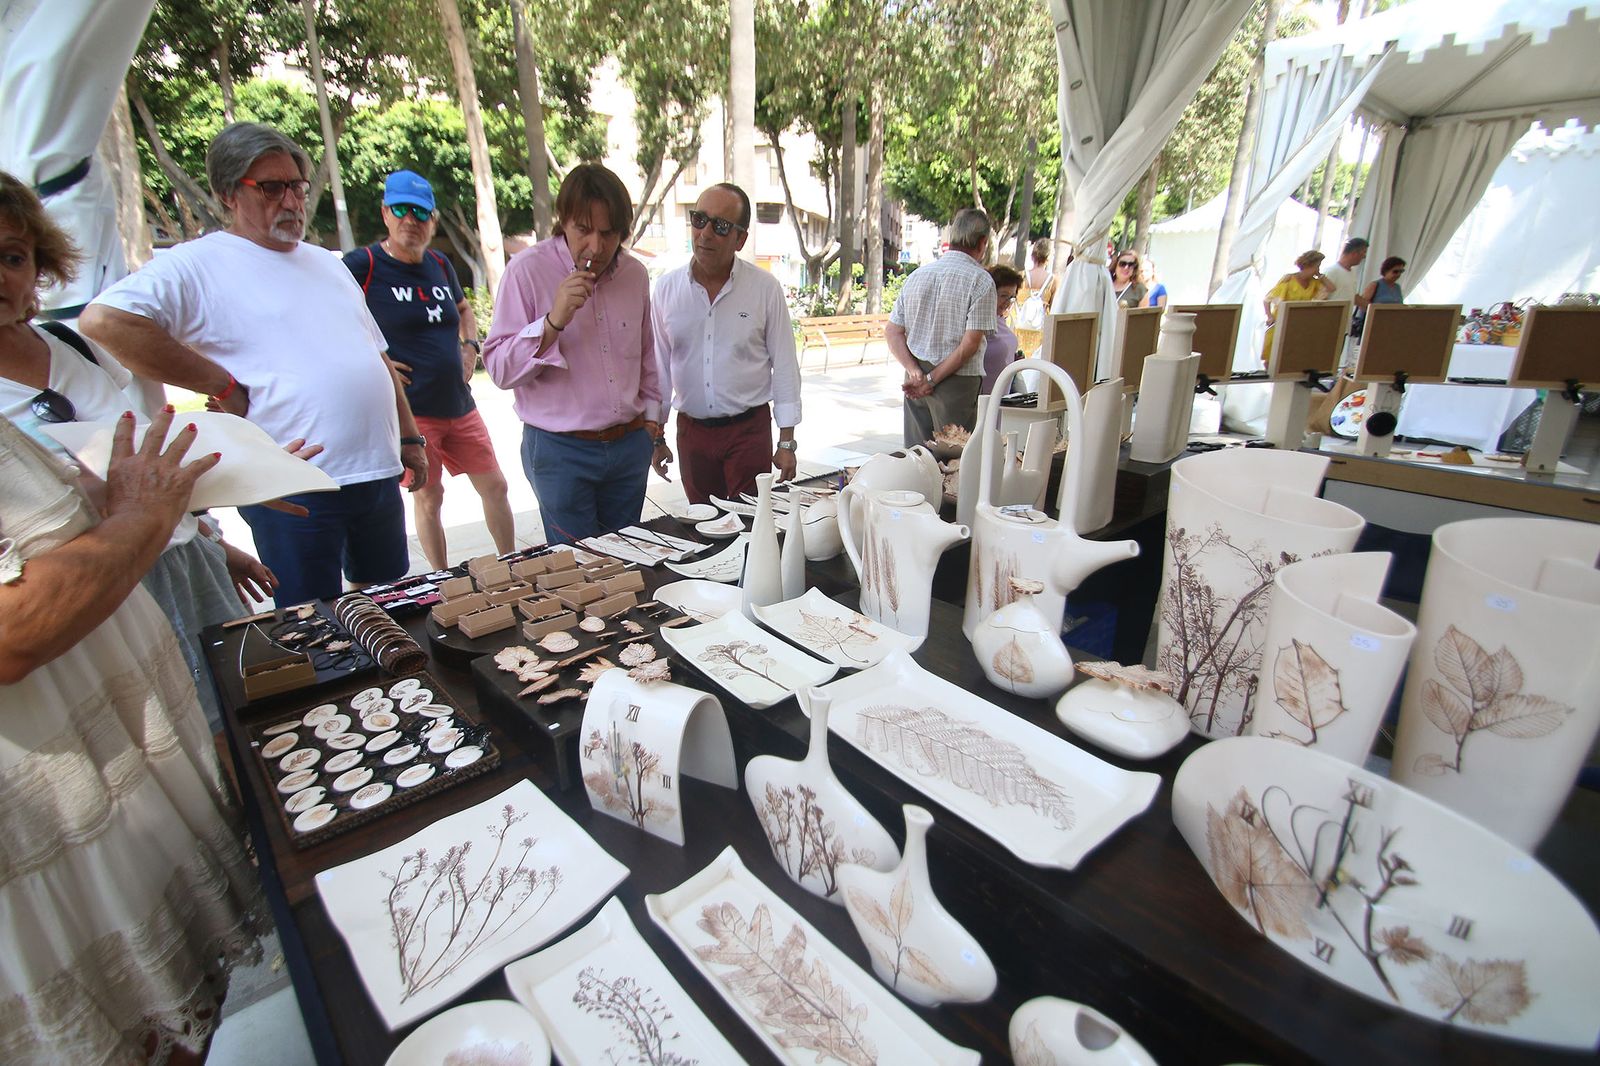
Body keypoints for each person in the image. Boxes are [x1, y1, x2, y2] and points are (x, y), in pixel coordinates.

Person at [0, 401, 267, 1064]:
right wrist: (142, 516)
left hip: (106, 781)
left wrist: (205, 485)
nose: (27, 292)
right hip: (47, 810)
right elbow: (13, 632)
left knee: (167, 1025)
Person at [80, 122, 428, 606]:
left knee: (390, 602)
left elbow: (377, 357)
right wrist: (218, 383)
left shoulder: (327, 263)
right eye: (271, 188)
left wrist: (409, 438)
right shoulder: (197, 264)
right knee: (314, 620)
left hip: (374, 470)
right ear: (228, 194)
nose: (291, 201)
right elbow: (105, 321)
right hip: (291, 480)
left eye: (297, 186)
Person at [0, 171, 298, 731]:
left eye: (12, 257)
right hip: (95, 596)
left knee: (250, 715)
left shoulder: (68, 345)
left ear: (38, 266)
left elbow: (139, 458)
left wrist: (216, 515)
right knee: (173, 727)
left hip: (176, 556)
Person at [343, 169, 514, 571]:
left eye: (420, 213)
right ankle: (440, 579)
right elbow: (326, 320)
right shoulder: (363, 265)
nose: (410, 221)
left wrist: (469, 347)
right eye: (401, 210)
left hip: (459, 404)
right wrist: (374, 364)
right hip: (412, 412)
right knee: (429, 497)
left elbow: (463, 309)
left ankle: (512, 564)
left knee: (496, 486)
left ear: (432, 220)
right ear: (385, 213)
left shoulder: (439, 263)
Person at [483, 163, 662, 544]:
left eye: (608, 233)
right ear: (564, 221)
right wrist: (552, 323)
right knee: (579, 572)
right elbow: (498, 369)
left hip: (629, 444)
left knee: (628, 562)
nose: (595, 247)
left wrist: (651, 424)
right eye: (583, 230)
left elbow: (648, 356)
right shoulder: (526, 271)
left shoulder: (634, 275)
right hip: (560, 451)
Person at [650, 182, 801, 503]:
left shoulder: (764, 289)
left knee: (749, 529)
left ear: (740, 239)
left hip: (748, 433)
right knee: (703, 526)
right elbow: (659, 369)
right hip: (692, 435)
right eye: (699, 220)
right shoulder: (666, 290)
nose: (705, 234)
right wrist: (656, 436)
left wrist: (786, 441)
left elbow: (785, 364)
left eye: (720, 226)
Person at [887, 207, 996, 446]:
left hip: (915, 376)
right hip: (957, 379)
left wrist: (916, 373)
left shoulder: (918, 275)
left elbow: (893, 331)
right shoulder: (980, 280)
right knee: (954, 463)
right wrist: (932, 380)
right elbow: (969, 345)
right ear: (982, 242)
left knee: (918, 459)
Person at [1261, 249, 1335, 364]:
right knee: (1272, 359)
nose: (1317, 269)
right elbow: (1268, 299)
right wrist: (1269, 316)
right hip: (1282, 321)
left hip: (1301, 325)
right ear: (1308, 265)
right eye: (1316, 266)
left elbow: (1331, 288)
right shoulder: (1289, 280)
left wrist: (1320, 275)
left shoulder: (1315, 283)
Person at [980, 265, 1023, 395]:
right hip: (984, 394)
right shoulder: (981, 320)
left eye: (1011, 297)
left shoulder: (1000, 319)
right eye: (1003, 295)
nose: (1007, 302)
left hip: (1002, 393)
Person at [1013, 237, 1053, 357]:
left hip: (1019, 329)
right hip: (1040, 333)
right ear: (1048, 258)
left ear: (1032, 255)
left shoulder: (1022, 276)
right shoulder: (1053, 281)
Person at [1352, 256, 1406, 337]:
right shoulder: (1375, 285)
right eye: (1395, 271)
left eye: (1401, 271)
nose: (1398, 274)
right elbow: (1362, 306)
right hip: (1375, 325)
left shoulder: (1397, 287)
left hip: (1393, 326)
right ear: (1386, 270)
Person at [1322, 237, 1369, 310]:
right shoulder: (1332, 271)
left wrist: (1373, 307)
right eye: (1363, 252)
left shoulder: (1352, 272)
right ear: (1354, 253)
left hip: (1345, 318)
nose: (1364, 256)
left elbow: (1352, 295)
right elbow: (1321, 298)